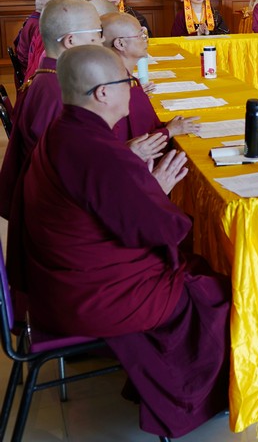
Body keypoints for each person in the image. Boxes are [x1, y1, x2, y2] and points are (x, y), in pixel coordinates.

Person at [17, 45, 232, 438]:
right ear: (103, 93)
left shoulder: (64, 132)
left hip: (58, 281)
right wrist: (155, 190)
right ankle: (190, 399)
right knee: (211, 291)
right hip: (89, 297)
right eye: (127, 82)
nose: (133, 89)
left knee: (195, 271)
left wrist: (141, 187)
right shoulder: (97, 151)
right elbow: (164, 230)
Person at [0, 0, 102, 220]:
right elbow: (73, 173)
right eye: (97, 34)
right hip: (58, 215)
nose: (102, 42)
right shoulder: (58, 93)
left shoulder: (52, 76)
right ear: (71, 40)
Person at [102, 13, 200, 144]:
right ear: (120, 43)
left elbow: (144, 127)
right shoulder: (116, 87)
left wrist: (166, 126)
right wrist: (169, 131)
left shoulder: (129, 80)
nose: (146, 40)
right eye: (140, 36)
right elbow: (134, 144)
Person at [11, 0, 50, 79]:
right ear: (47, 5)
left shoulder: (33, 18)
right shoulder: (39, 24)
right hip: (27, 68)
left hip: (23, 63)